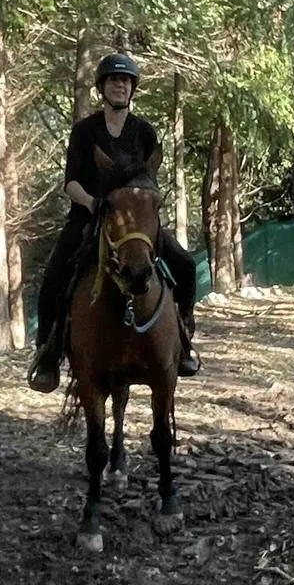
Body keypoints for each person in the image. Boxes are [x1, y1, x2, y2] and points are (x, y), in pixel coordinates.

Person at [28, 52, 200, 393]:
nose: (119, 85)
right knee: (55, 275)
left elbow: (149, 182)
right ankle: (47, 354)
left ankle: (183, 336)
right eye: (113, 80)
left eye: (125, 81)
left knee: (185, 264)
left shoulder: (144, 132)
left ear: (132, 89)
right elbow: (71, 182)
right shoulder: (84, 131)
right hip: (90, 216)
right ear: (102, 88)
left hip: (135, 222)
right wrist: (94, 203)